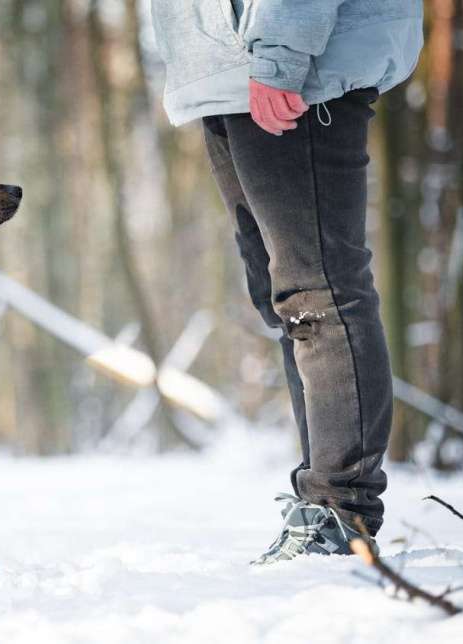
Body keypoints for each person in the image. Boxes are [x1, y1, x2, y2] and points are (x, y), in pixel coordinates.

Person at [151, 0, 424, 563]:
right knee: (287, 304)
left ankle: (341, 509)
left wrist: (281, 55)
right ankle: (322, 504)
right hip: (228, 70)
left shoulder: (283, 60)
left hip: (293, 65)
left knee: (319, 294)